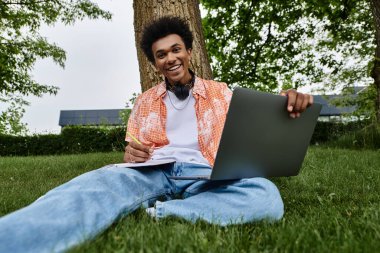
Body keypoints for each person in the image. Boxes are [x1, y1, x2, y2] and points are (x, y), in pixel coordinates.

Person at [0, 16, 313, 253]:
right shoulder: (144, 100)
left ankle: (164, 211)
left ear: (189, 51)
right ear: (155, 63)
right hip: (154, 171)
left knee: (267, 197)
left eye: (176, 49)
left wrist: (284, 101)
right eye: (161, 54)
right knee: (92, 186)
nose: (170, 58)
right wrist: (130, 156)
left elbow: (255, 124)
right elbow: (133, 150)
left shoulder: (223, 93)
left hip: (208, 172)